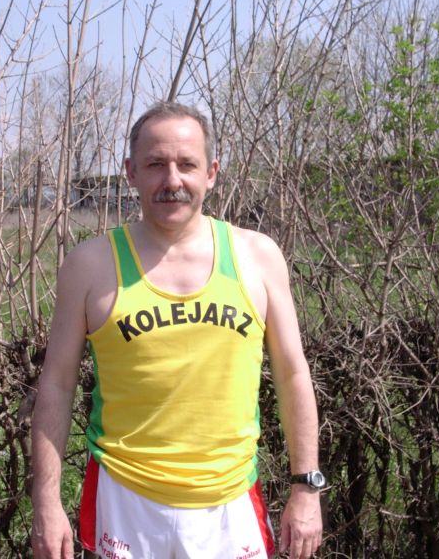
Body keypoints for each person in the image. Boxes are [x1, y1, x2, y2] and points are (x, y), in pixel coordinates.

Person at [31, 102, 324, 559]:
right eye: (155, 164)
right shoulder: (89, 266)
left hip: (230, 501)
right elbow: (56, 384)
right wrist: (46, 503)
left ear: (211, 172)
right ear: (130, 172)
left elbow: (292, 375)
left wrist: (306, 488)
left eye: (187, 164)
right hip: (125, 500)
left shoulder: (258, 256)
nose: (172, 180)